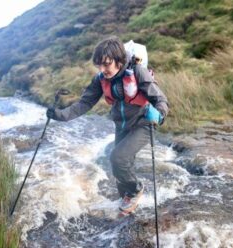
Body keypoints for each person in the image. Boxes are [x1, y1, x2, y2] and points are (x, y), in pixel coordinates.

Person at [46, 36, 169, 214]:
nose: (102, 69)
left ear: (118, 60)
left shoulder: (137, 72)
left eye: (106, 64)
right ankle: (128, 209)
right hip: (122, 125)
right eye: (99, 65)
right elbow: (84, 103)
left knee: (118, 158)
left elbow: (160, 99)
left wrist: (159, 115)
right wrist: (60, 115)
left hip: (143, 124)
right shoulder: (100, 79)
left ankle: (136, 190)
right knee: (119, 171)